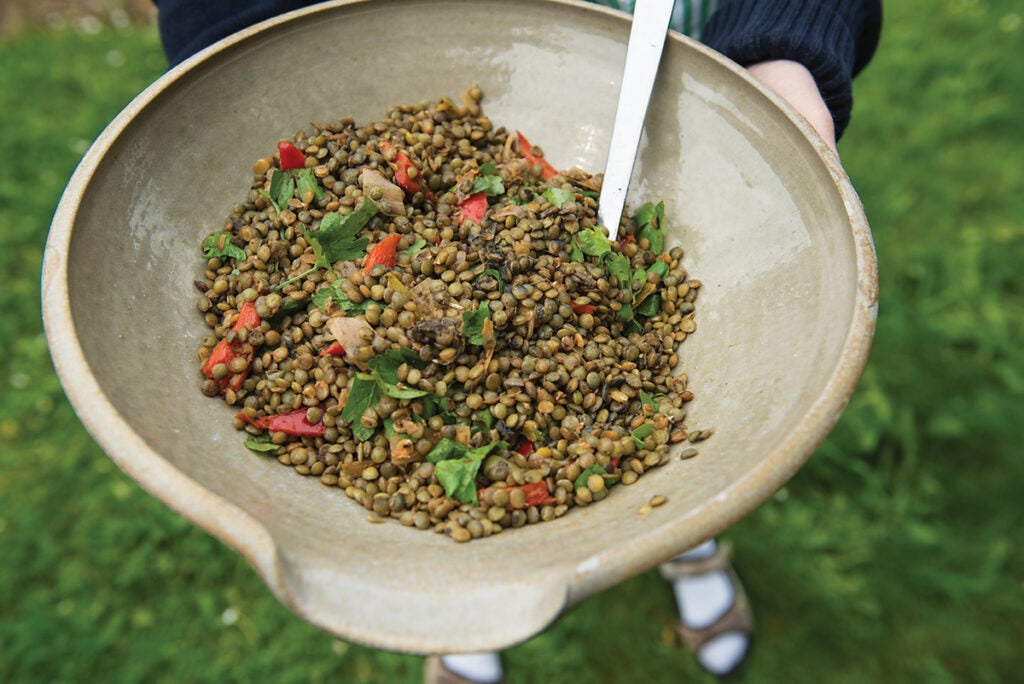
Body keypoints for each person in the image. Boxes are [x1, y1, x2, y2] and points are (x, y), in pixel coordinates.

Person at [152, 0, 882, 680]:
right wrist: (240, 61)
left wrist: (782, 44)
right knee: (459, 533)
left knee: (684, 476)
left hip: (662, 50)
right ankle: (466, 629)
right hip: (390, 22)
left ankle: (692, 550)